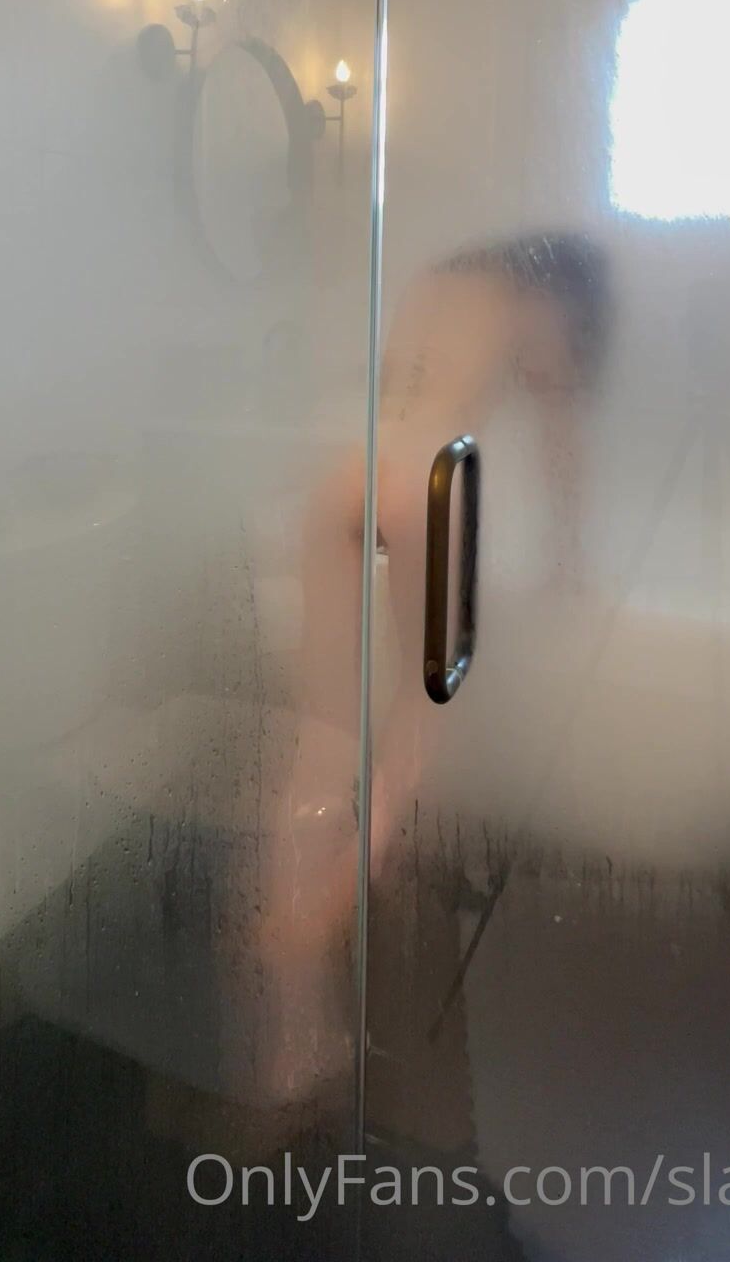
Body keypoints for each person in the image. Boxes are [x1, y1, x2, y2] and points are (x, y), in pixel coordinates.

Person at [256, 234, 610, 1102]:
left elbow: (398, 392)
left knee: (321, 740)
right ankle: (330, 901)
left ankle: (296, 1029)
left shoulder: (439, 279)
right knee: (421, 729)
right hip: (428, 487)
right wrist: (569, 557)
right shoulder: (541, 293)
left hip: (349, 479)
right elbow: (559, 433)